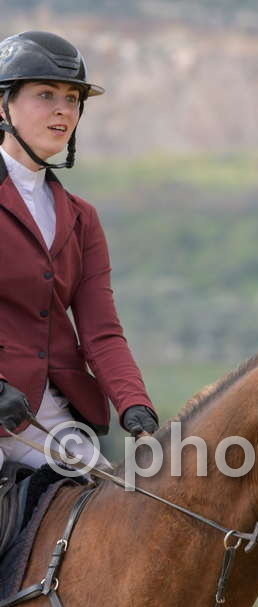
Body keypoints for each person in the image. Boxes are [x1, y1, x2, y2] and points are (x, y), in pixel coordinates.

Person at [0, 30, 158, 472]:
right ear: (2, 106)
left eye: (72, 99)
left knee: (117, 504)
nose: (63, 110)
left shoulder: (81, 217)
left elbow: (101, 332)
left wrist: (134, 405)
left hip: (45, 413)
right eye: (45, 95)